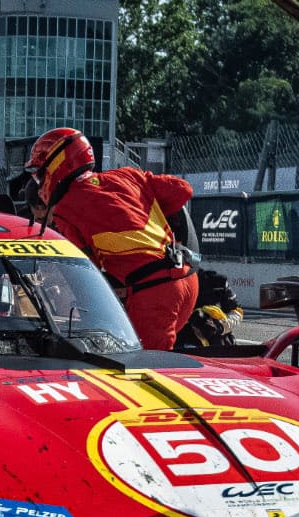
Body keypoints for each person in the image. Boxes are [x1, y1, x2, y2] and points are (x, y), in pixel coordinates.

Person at [25, 127, 199, 350]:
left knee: (141, 372)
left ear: (57, 164)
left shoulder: (66, 208)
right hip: (188, 278)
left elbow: (87, 275)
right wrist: (140, 215)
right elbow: (182, 190)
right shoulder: (127, 175)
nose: (40, 186)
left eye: (40, 174)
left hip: (153, 292)